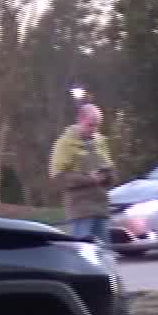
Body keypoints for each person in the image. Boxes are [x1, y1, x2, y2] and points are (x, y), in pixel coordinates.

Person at [50, 102, 115, 242]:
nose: (94, 129)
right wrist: (90, 179)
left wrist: (108, 175)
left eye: (97, 125)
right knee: (83, 250)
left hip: (101, 208)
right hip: (80, 210)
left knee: (105, 252)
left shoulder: (100, 142)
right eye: (90, 125)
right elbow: (58, 177)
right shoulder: (64, 144)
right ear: (80, 120)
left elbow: (109, 169)